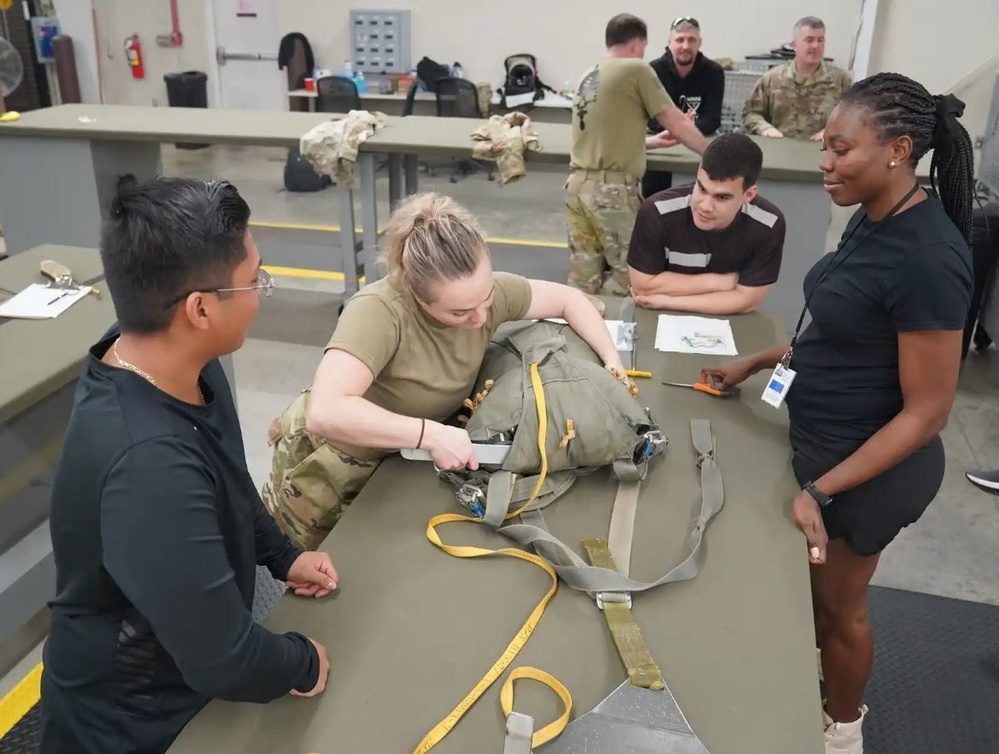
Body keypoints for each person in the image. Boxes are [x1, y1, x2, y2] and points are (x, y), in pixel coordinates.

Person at [702, 74, 975, 753]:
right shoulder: (872, 214)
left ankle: (841, 730)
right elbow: (840, 324)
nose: (823, 163)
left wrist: (820, 491)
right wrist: (758, 361)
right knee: (805, 601)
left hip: (865, 472)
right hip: (823, 439)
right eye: (823, 147)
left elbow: (928, 414)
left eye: (839, 149)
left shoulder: (929, 258)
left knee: (836, 609)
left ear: (897, 150)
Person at [39, 176, 336, 754]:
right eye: (254, 282)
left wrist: (283, 557)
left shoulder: (174, 361)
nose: (260, 292)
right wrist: (302, 662)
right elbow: (223, 661)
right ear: (200, 308)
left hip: (178, 649)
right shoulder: (148, 466)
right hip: (132, 715)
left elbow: (227, 471)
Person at [262, 192, 631, 551]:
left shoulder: (484, 297)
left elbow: (570, 301)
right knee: (301, 571)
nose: (481, 318)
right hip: (333, 465)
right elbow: (326, 412)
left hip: (400, 459)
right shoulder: (378, 312)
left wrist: (612, 362)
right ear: (417, 294)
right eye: (460, 313)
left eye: (486, 299)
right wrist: (430, 434)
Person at [566, 13, 709, 297]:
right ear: (636, 45)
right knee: (628, 277)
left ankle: (578, 333)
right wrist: (713, 153)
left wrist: (650, 142)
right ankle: (611, 335)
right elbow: (677, 122)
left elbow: (601, 134)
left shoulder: (590, 74)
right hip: (612, 194)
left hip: (577, 188)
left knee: (584, 278)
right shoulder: (636, 69)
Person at [628, 132, 785, 315]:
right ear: (698, 171)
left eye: (722, 197)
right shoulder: (656, 211)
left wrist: (667, 301)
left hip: (729, 325)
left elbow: (747, 301)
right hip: (656, 318)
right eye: (701, 188)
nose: (705, 206)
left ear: (748, 195)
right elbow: (643, 287)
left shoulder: (769, 224)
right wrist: (721, 282)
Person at [643, 15, 726, 198]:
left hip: (697, 146)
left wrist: (685, 128)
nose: (686, 46)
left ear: (700, 43)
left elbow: (713, 118)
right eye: (680, 40)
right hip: (661, 145)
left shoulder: (714, 72)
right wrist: (679, 126)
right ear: (669, 42)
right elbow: (650, 117)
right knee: (654, 200)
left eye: (691, 40)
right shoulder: (653, 71)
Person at [742, 16, 852, 141]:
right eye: (809, 40)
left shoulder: (842, 81)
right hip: (780, 149)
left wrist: (832, 132)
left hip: (823, 153)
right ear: (795, 44)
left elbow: (854, 117)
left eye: (820, 40)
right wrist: (765, 129)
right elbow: (751, 113)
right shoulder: (772, 80)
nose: (816, 45)